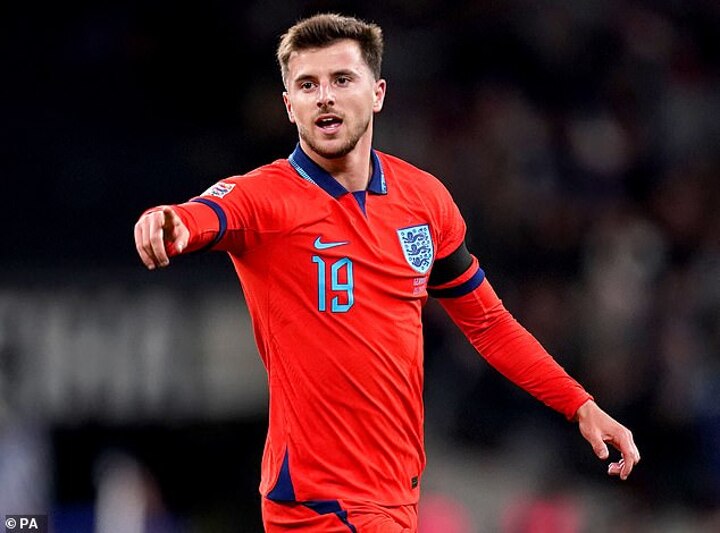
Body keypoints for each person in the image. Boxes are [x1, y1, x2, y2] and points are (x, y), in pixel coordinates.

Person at [134, 13, 640, 533]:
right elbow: (202, 215)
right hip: (318, 504)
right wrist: (167, 222)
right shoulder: (265, 198)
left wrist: (580, 405)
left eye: (341, 79)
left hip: (395, 497)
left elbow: (488, 324)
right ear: (289, 106)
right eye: (307, 85)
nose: (324, 97)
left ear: (377, 94)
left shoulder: (424, 201)